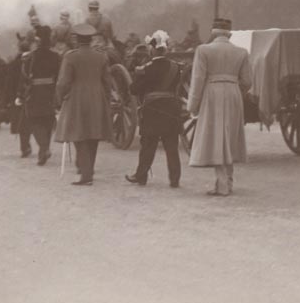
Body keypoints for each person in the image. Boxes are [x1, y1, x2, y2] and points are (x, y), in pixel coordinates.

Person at [187, 18, 252, 196]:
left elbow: (198, 79)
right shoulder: (241, 52)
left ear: (213, 32)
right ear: (229, 34)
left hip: (212, 94)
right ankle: (227, 182)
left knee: (217, 137)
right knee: (229, 136)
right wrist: (235, 87)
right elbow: (247, 81)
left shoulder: (204, 50)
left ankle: (222, 184)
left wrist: (193, 104)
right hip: (233, 93)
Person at [54, 24, 114, 185]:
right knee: (93, 134)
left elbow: (63, 82)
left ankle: (86, 173)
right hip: (97, 97)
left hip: (76, 98)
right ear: (91, 39)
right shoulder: (101, 57)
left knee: (78, 134)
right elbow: (107, 81)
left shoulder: (70, 56)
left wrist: (60, 97)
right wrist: (107, 97)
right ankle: (88, 168)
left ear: (76, 39)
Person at [126, 30, 184, 187]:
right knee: (171, 146)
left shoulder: (147, 68)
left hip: (153, 111)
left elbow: (134, 90)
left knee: (148, 146)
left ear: (152, 50)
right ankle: (174, 179)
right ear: (165, 50)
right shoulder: (176, 67)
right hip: (171, 110)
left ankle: (141, 176)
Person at [18, 26, 61, 166]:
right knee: (48, 121)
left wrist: (20, 94)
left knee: (35, 121)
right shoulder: (56, 57)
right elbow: (60, 76)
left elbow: (24, 78)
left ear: (37, 40)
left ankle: (43, 148)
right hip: (50, 92)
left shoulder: (30, 57)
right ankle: (45, 149)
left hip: (34, 93)